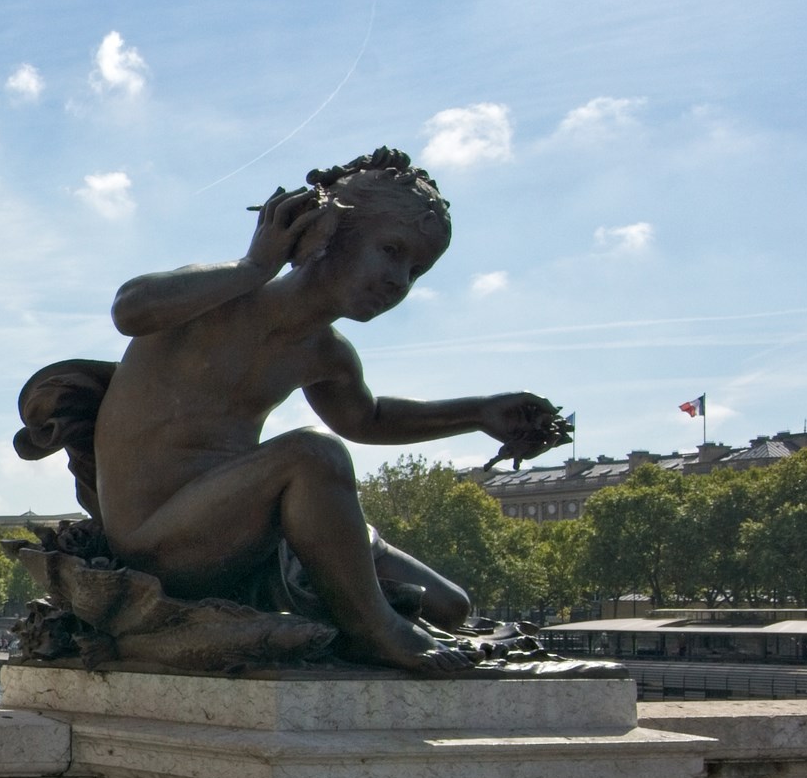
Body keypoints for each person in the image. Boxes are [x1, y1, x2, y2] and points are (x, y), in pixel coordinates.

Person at [51, 147, 564, 674]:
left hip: (246, 526)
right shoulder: (220, 296)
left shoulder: (326, 352)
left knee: (450, 606)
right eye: (390, 250)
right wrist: (254, 266)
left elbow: (367, 419)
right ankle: (372, 630)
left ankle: (363, 612)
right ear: (324, 231)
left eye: (416, 270)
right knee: (312, 453)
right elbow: (129, 309)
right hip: (159, 536)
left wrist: (480, 412)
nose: (398, 281)